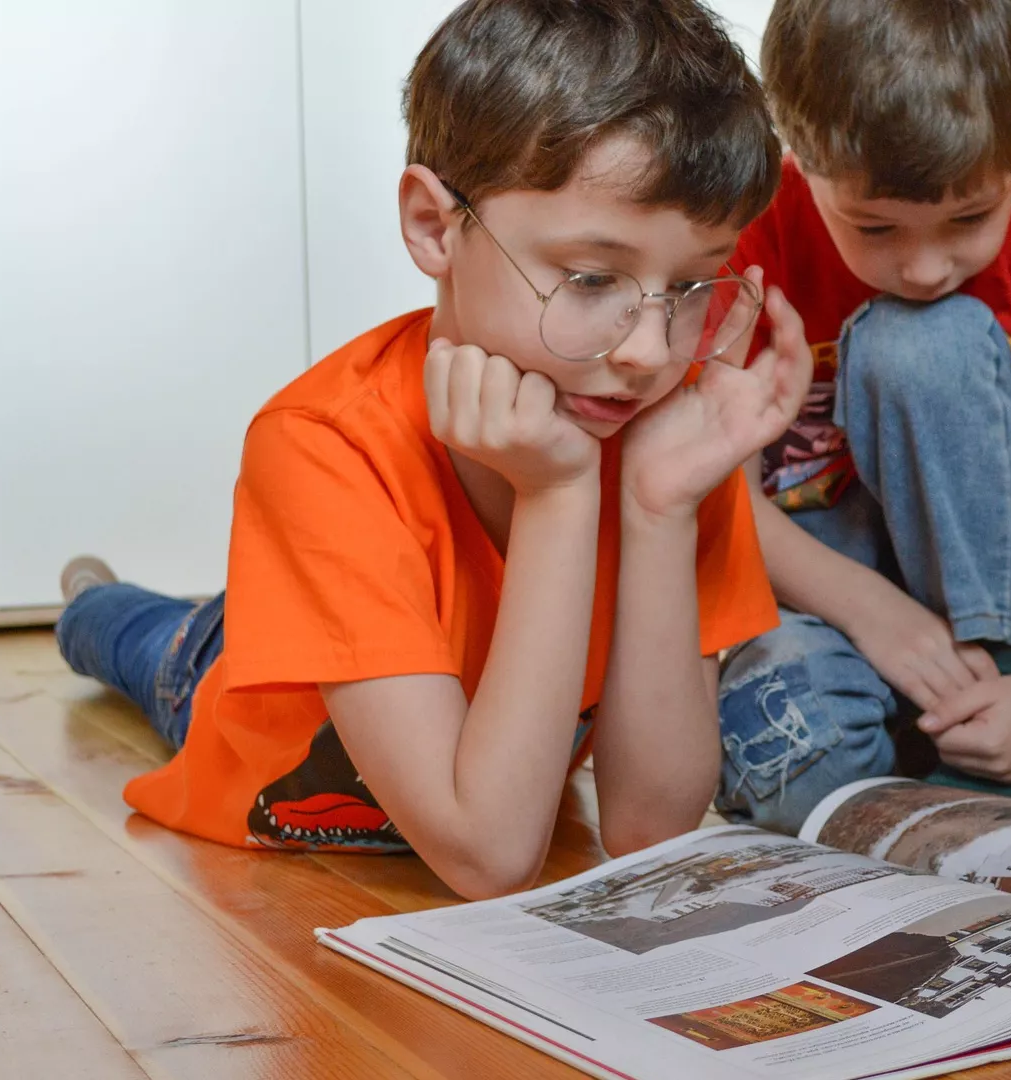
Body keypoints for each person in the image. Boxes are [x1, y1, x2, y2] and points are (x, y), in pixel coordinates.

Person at [54, 0, 808, 899]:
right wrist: (561, 495)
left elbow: (650, 827)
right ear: (432, 224)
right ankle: (89, 592)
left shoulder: (662, 440)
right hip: (226, 680)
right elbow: (489, 856)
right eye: (592, 278)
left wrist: (656, 511)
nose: (648, 350)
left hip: (396, 649)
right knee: (144, 641)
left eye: (689, 285)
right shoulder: (320, 446)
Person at [713, 0, 1011, 834]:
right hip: (827, 582)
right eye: (875, 226)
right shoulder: (747, 235)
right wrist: (870, 611)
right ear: (801, 158)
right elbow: (727, 505)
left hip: (1008, 582)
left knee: (918, 341)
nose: (924, 266)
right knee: (789, 766)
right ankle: (919, 745)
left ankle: (985, 723)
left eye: (970, 218)